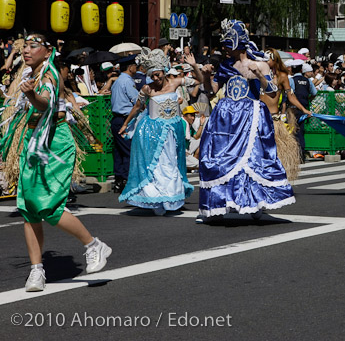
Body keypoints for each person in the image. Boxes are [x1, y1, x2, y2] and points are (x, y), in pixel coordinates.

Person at [0, 33, 111, 292]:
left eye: (33, 47)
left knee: (48, 206)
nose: (27, 51)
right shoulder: (30, 75)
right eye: (25, 46)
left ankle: (93, 245)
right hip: (32, 139)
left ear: (47, 52)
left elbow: (44, 104)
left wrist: (30, 96)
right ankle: (37, 270)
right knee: (28, 207)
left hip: (54, 143)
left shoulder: (51, 76)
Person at [197, 20, 295, 223]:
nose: (223, 48)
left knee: (253, 160)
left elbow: (272, 92)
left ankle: (255, 203)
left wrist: (261, 76)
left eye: (226, 43)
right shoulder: (224, 65)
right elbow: (211, 91)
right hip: (226, 119)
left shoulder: (259, 64)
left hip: (250, 115)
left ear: (237, 43)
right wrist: (206, 77)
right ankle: (222, 202)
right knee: (221, 159)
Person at [117, 49, 198, 215]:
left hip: (173, 132)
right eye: (152, 75)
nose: (155, 78)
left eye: (158, 75)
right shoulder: (148, 89)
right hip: (153, 133)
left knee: (172, 164)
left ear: (164, 71)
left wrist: (194, 66)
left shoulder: (175, 83)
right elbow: (138, 107)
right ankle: (158, 199)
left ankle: (170, 197)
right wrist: (126, 124)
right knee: (158, 166)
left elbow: (199, 81)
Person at [262, 48, 311, 181]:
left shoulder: (282, 76)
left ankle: (277, 179)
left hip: (274, 119)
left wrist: (304, 109)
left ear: (275, 59)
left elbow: (291, 96)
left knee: (277, 152)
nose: (264, 60)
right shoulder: (257, 75)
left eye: (268, 59)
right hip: (259, 118)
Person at [109, 55, 139, 193]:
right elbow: (137, 102)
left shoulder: (117, 81)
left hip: (116, 118)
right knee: (129, 150)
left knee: (119, 151)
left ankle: (119, 180)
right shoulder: (127, 81)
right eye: (135, 66)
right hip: (125, 119)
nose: (136, 68)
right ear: (130, 67)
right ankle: (127, 180)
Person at [289, 63, 317, 160]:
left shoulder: (291, 80)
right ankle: (302, 154)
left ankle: (295, 154)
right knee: (300, 130)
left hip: (293, 109)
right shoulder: (308, 81)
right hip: (304, 109)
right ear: (301, 70)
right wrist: (308, 100)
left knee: (293, 131)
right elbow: (314, 93)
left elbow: (289, 94)